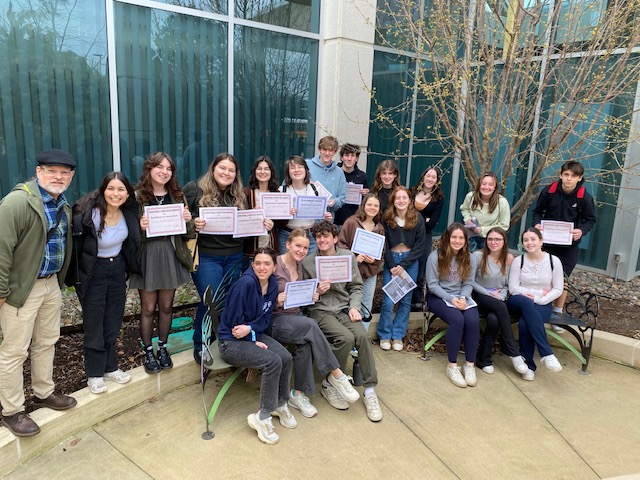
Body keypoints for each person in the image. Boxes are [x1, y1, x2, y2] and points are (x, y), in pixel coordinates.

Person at [0, 149, 78, 437]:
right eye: (52, 171)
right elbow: (1, 250)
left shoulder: (62, 204)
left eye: (64, 173)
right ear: (38, 171)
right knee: (14, 351)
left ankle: (44, 392)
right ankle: (12, 411)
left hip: (49, 285)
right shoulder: (17, 203)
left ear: (71, 176)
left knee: (46, 341)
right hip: (21, 288)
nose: (58, 177)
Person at [271, 228, 360, 418]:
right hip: (275, 320)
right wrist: (275, 300)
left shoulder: (302, 267)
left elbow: (302, 298)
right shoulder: (273, 265)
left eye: (304, 247)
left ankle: (297, 394)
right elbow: (257, 297)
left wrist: (315, 294)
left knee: (306, 342)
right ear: (287, 244)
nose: (302, 251)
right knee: (311, 325)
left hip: (295, 317)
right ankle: (337, 375)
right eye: (297, 246)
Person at [302, 221, 382, 422]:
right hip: (320, 311)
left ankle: (370, 391)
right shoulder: (308, 262)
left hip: (344, 309)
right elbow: (304, 295)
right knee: (345, 338)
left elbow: (356, 286)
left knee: (363, 336)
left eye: (326, 236)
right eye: (318, 236)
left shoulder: (347, 257)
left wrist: (355, 307)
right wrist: (316, 292)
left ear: (335, 239)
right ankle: (331, 383)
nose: (321, 240)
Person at [72, 172, 142, 395]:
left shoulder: (129, 213)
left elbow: (132, 242)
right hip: (93, 271)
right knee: (95, 322)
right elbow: (77, 249)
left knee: (113, 319)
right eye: (111, 188)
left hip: (117, 269)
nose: (116, 194)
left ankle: (110, 367)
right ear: (103, 190)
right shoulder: (87, 215)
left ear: (128, 193)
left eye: (121, 189)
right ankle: (94, 373)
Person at [218, 247, 294, 445]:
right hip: (231, 342)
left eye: (267, 263)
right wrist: (252, 339)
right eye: (258, 263)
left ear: (274, 266)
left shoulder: (272, 286)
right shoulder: (245, 284)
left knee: (285, 357)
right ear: (253, 265)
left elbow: (265, 320)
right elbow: (235, 328)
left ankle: (280, 402)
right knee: (272, 362)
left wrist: (252, 332)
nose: (262, 267)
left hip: (252, 334)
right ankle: (262, 416)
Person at [131, 153, 194, 374]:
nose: (164, 171)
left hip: (170, 253)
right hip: (147, 255)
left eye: (168, 168)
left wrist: (188, 221)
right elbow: (129, 233)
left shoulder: (177, 196)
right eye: (159, 167)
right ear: (149, 169)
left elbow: (188, 234)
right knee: (148, 308)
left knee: (167, 306)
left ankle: (163, 348)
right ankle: (148, 351)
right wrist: (139, 226)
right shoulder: (138, 196)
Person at [183, 153, 246, 363]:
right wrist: (193, 222)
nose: (226, 173)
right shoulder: (195, 189)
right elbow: (180, 216)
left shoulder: (239, 195)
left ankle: (218, 340)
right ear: (213, 169)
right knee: (210, 300)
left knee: (229, 301)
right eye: (222, 168)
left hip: (235, 256)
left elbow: (246, 223)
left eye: (231, 170)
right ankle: (200, 343)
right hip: (208, 257)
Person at [532, 160, 596, 322]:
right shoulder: (549, 192)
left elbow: (590, 220)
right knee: (541, 276)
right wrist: (537, 225)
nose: (568, 179)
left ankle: (557, 312)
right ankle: (538, 307)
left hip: (568, 246)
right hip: (546, 244)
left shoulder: (585, 197)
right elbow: (537, 212)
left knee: (563, 278)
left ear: (579, 178)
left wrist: (581, 231)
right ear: (560, 175)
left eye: (573, 176)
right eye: (566, 175)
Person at [426, 223, 480, 388]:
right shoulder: (435, 257)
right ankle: (452, 366)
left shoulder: (469, 258)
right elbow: (433, 285)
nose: (457, 241)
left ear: (465, 240)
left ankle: (470, 365)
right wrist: (451, 299)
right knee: (458, 320)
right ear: (447, 238)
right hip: (439, 296)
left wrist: (463, 298)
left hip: (462, 296)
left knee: (472, 320)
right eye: (454, 237)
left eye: (461, 237)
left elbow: (469, 283)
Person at [507, 228, 564, 381]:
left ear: (541, 241)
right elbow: (513, 288)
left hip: (543, 303)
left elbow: (558, 288)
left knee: (525, 323)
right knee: (526, 303)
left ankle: (529, 366)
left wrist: (539, 299)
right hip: (518, 301)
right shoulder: (519, 261)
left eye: (533, 239)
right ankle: (547, 353)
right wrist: (537, 294)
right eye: (526, 240)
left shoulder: (554, 261)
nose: (529, 243)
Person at [471, 227, 528, 375]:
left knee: (494, 319)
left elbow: (509, 284)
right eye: (490, 239)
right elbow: (470, 281)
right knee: (500, 308)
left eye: (497, 239)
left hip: (498, 299)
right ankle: (514, 352)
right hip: (478, 296)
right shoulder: (478, 256)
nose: (493, 242)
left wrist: (501, 296)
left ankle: (483, 360)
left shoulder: (509, 259)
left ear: (504, 241)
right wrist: (490, 295)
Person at [378, 187, 426, 351]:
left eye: (404, 197)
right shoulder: (387, 217)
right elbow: (384, 243)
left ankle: (398, 335)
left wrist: (403, 265)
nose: (401, 201)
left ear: (409, 199)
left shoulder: (417, 218)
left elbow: (420, 246)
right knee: (388, 301)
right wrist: (392, 265)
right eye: (397, 198)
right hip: (392, 261)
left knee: (405, 301)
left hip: (410, 262)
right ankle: (385, 334)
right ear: (393, 200)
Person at [338, 193, 384, 330]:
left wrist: (375, 259)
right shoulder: (351, 222)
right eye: (369, 204)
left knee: (366, 306)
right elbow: (341, 245)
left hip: (369, 273)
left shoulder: (379, 228)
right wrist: (353, 258)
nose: (372, 208)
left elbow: (382, 252)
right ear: (363, 206)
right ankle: (349, 337)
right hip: (351, 273)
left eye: (376, 205)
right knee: (349, 305)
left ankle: (362, 337)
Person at [277, 155, 331, 254]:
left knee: (308, 267)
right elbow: (276, 216)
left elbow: (322, 211)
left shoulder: (315, 189)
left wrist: (325, 215)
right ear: (288, 172)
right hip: (288, 234)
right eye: (292, 168)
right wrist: (286, 213)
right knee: (287, 267)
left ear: (306, 169)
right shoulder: (282, 190)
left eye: (300, 167)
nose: (296, 170)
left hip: (310, 235)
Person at [411, 166, 445, 305]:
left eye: (433, 177)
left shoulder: (439, 198)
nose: (430, 179)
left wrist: (415, 220)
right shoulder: (412, 192)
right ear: (423, 176)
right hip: (408, 236)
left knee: (420, 271)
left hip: (425, 237)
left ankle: (416, 302)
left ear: (437, 180)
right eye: (428, 175)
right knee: (406, 268)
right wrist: (424, 219)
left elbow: (432, 224)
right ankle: (403, 301)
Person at [460, 172, 510, 251]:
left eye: (490, 184)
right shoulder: (470, 196)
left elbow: (504, 226)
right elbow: (465, 209)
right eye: (484, 184)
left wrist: (482, 230)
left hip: (490, 240)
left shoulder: (502, 202)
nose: (486, 187)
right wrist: (467, 219)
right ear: (479, 185)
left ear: (495, 187)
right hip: (470, 236)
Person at [242, 155, 278, 256]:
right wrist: (252, 214)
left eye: (266, 169)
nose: (262, 172)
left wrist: (273, 224)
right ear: (254, 171)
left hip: (270, 247)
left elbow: (283, 223)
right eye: (259, 169)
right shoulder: (246, 193)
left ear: (271, 172)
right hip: (250, 249)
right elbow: (239, 221)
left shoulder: (277, 194)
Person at [306, 136, 346, 221]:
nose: (327, 153)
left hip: (326, 220)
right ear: (319, 149)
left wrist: (333, 202)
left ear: (335, 152)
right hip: (306, 218)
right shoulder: (307, 165)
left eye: (331, 150)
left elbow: (342, 198)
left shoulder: (339, 172)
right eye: (324, 149)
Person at [334, 143, 369, 228]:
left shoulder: (362, 176)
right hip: (335, 221)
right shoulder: (334, 173)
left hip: (353, 222)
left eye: (352, 156)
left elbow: (365, 201)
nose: (349, 159)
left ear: (356, 158)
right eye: (346, 155)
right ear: (342, 158)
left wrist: (366, 193)